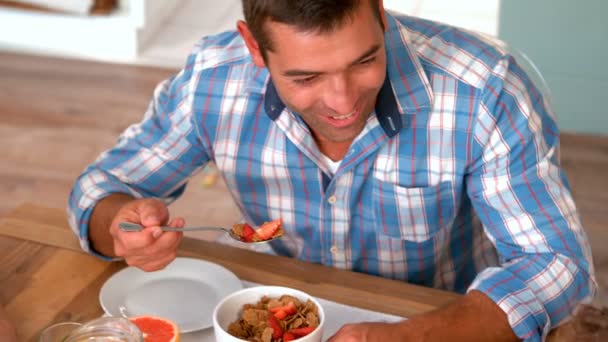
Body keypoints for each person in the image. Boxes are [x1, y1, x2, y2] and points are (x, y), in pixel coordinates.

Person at [67, 0, 596, 340]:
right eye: (305, 77)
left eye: (364, 60)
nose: (343, 102)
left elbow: (556, 263)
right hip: (283, 311)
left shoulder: (485, 90)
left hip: (446, 319)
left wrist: (413, 336)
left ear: (382, 14)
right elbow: (103, 188)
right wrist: (120, 223)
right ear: (253, 47)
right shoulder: (212, 78)